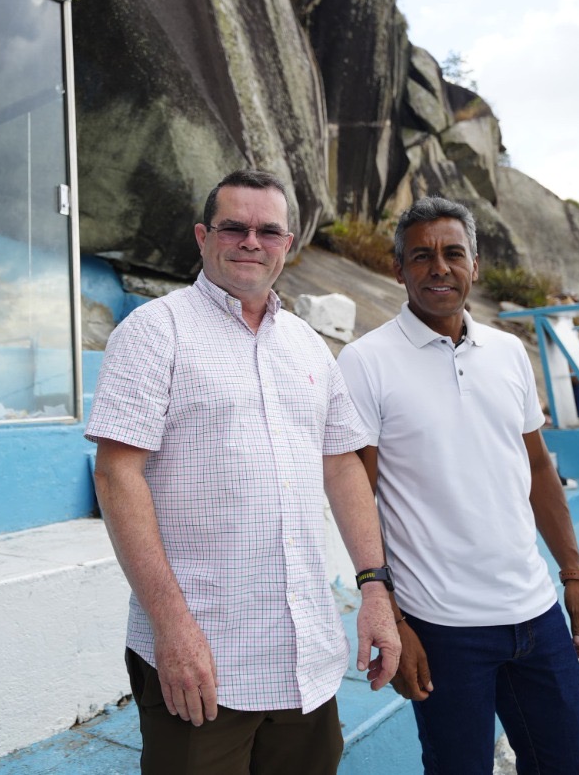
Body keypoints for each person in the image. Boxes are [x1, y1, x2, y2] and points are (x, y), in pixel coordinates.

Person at [87, 169, 400, 775]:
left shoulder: (309, 347)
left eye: (268, 230)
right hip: (203, 660)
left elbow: (342, 467)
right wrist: (172, 629)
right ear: (204, 237)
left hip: (306, 659)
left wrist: (374, 589)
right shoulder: (155, 332)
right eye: (234, 227)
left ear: (287, 245)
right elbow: (116, 477)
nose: (250, 241)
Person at [337, 196, 579, 775]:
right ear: (398, 268)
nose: (440, 267)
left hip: (537, 616)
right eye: (422, 256)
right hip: (442, 628)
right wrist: (396, 620)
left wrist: (575, 577)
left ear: (475, 264)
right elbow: (362, 494)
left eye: (454, 253)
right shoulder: (365, 361)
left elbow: (538, 472)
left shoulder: (509, 353)